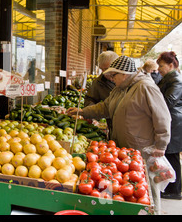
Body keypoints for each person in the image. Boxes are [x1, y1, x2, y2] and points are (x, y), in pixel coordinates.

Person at [68, 55, 171, 156]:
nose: (111, 79)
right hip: (122, 148)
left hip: (139, 149)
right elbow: (105, 107)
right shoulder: (119, 89)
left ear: (124, 74)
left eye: (114, 75)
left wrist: (161, 146)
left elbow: (162, 117)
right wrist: (82, 112)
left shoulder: (145, 88)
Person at [157, 51, 182, 200]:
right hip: (170, 121)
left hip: (174, 123)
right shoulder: (167, 79)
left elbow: (168, 101)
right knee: (169, 155)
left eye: (161, 65)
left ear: (170, 65)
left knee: (172, 156)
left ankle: (175, 190)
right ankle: (170, 186)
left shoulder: (177, 81)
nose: (158, 68)